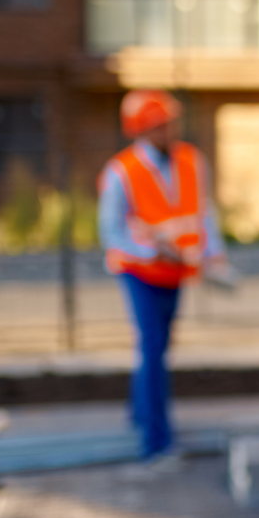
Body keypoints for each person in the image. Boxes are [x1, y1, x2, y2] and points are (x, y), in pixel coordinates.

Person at [98, 89, 229, 465]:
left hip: (176, 271)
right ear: (142, 129)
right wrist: (150, 251)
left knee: (156, 348)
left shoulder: (190, 160)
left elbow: (204, 212)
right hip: (139, 272)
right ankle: (156, 439)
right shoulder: (121, 171)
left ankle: (140, 414)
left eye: (170, 123)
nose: (168, 130)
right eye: (160, 125)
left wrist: (214, 254)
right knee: (152, 347)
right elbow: (112, 231)